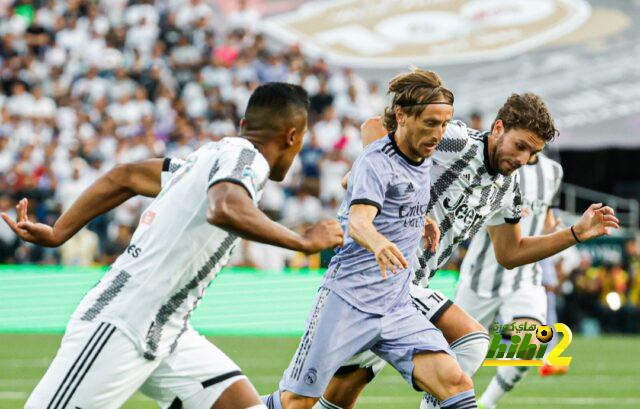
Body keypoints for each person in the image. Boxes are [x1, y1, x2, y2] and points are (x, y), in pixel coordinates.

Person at [2, 82, 344, 409]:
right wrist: (301, 241)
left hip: (168, 332)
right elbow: (224, 208)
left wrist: (60, 230)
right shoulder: (247, 159)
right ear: (293, 136)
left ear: (243, 124)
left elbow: (126, 176)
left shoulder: (204, 160)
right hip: (123, 322)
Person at [316, 92, 618, 409]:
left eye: (532, 153)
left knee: (336, 397)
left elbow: (511, 253)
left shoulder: (507, 190)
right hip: (379, 274)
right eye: (520, 146)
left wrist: (575, 233)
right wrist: (386, 186)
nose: (523, 159)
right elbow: (374, 125)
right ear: (499, 127)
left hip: (407, 285)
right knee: (472, 342)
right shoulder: (457, 141)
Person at [261, 69, 480, 409]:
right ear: (403, 116)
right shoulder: (376, 161)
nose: (439, 133)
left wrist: (420, 215)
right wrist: (377, 242)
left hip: (396, 307)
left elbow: (380, 176)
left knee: (455, 382)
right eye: (431, 123)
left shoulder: (421, 153)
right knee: (296, 404)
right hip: (347, 301)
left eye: (444, 123)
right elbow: (359, 221)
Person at [455, 152, 564, 409]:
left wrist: (551, 227)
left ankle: (487, 404)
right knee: (453, 366)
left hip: (524, 276)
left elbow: (546, 217)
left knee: (530, 346)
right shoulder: (497, 164)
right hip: (480, 277)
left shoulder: (553, 172)